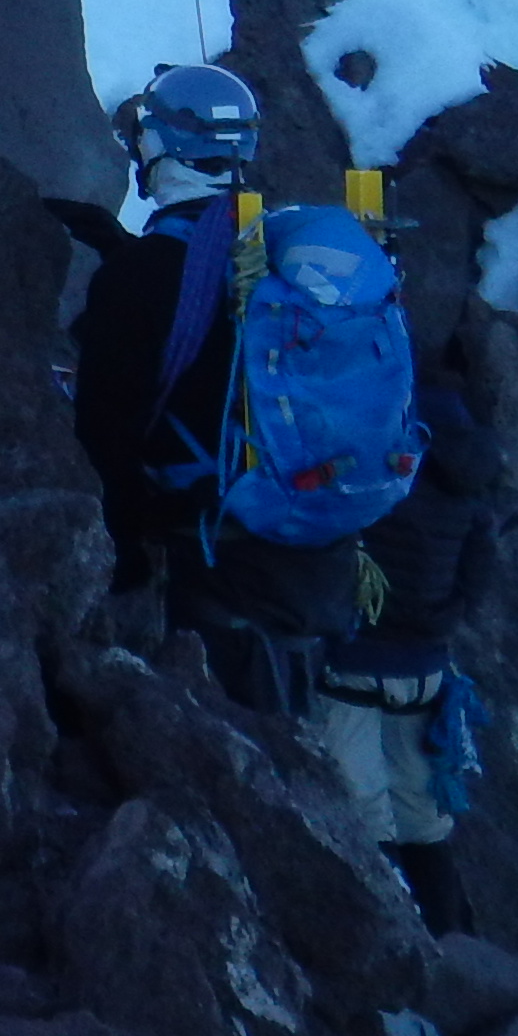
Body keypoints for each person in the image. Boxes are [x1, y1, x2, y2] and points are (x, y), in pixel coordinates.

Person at [53, 63, 367, 722]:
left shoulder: (145, 276)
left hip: (219, 561)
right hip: (316, 555)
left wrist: (124, 561)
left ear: (157, 148)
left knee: (237, 748)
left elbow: (107, 434)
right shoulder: (274, 251)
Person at [317, 381, 493, 928]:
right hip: (425, 672)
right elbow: (478, 575)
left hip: (352, 666)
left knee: (365, 816)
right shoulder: (472, 488)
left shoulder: (382, 472)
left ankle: (392, 940)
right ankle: (455, 942)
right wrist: (443, 620)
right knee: (423, 821)